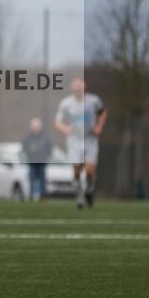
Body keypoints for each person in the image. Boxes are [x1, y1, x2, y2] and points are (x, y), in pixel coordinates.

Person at [54, 77, 107, 209]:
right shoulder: (66, 103)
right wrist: (65, 128)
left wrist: (99, 127)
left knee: (90, 170)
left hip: (90, 139)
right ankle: (79, 196)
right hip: (74, 140)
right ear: (72, 88)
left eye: (80, 85)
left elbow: (103, 112)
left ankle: (89, 190)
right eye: (76, 85)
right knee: (77, 169)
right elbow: (57, 121)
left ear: (85, 86)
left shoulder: (93, 101)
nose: (78, 88)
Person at [21, 117, 52, 202]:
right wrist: (29, 151)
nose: (36, 128)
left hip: (42, 162)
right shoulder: (27, 139)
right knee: (32, 179)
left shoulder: (45, 138)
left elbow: (50, 149)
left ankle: (42, 196)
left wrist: (45, 156)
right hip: (32, 162)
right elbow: (24, 149)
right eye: (34, 126)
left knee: (42, 180)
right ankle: (31, 196)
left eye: (37, 126)